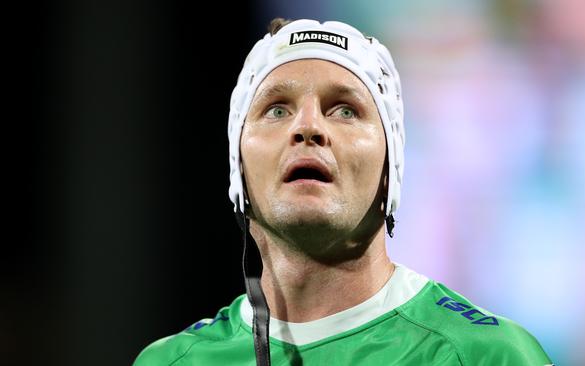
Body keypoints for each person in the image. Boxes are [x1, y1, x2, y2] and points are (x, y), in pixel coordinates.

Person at [133, 18, 553, 366]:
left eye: (345, 110)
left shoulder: (485, 356)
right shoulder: (173, 361)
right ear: (238, 169)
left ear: (391, 170)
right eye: (276, 109)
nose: (309, 127)